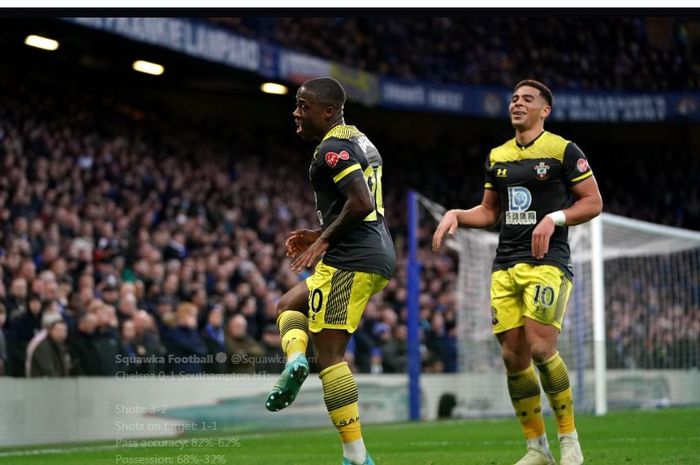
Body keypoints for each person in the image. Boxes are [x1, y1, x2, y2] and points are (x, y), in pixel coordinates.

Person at [432, 80, 603, 465]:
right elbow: (490, 211)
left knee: (543, 348)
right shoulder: (498, 155)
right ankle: (536, 448)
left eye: (527, 99)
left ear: (545, 110)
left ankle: (569, 439)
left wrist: (554, 218)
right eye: (514, 99)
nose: (517, 104)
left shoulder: (563, 149)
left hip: (548, 262)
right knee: (514, 358)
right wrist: (457, 214)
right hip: (505, 264)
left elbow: (593, 202)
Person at [265, 76, 396, 465]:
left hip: (353, 257)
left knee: (333, 357)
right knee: (288, 303)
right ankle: (295, 360)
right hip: (368, 251)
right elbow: (355, 204)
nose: (296, 113)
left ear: (328, 111)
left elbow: (361, 202)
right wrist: (318, 233)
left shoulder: (333, 148)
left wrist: (324, 242)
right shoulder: (358, 139)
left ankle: (356, 457)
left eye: (303, 106)